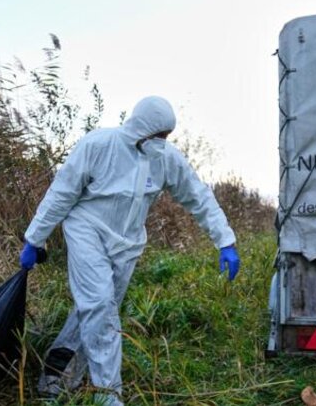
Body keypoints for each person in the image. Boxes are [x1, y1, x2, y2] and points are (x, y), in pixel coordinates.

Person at [18, 96, 240, 406]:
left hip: (128, 245)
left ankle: (56, 379)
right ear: (141, 128)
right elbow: (61, 194)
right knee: (100, 306)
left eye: (167, 136)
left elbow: (198, 196)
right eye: (158, 134)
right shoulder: (98, 146)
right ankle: (108, 395)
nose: (162, 141)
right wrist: (35, 239)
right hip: (87, 232)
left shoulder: (166, 159)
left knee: (95, 310)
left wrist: (225, 241)